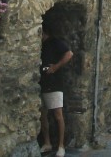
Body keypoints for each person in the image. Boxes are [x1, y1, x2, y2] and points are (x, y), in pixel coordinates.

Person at [40, 28, 74, 156]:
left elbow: (69, 54)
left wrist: (55, 67)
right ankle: (47, 143)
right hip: (42, 83)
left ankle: (61, 146)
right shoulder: (41, 45)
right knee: (43, 115)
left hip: (54, 83)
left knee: (58, 114)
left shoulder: (54, 42)